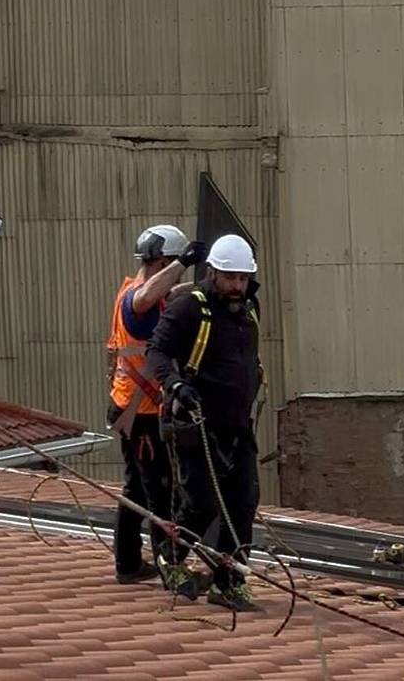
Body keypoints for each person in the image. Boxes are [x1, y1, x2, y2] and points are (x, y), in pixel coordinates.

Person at [144, 233, 264, 612]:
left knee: (244, 502)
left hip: (237, 425)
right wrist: (176, 385)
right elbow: (156, 352)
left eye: (243, 279)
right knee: (201, 505)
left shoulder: (248, 310)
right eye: (231, 278)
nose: (237, 286)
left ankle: (229, 582)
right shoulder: (189, 308)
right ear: (212, 272)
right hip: (196, 424)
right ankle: (171, 558)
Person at [106, 224, 206, 589]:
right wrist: (184, 262)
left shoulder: (138, 294)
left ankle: (128, 563)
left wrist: (202, 284)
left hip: (128, 407)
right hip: (141, 412)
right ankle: (170, 568)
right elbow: (149, 298)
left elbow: (167, 294)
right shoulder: (137, 299)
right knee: (158, 492)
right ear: (162, 261)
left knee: (135, 490)